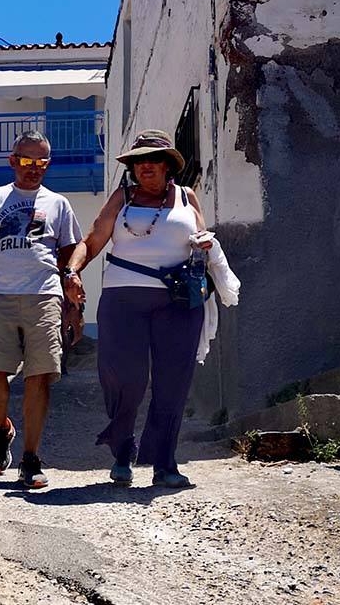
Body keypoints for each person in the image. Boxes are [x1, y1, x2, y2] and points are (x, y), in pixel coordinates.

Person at [64, 129, 234, 489]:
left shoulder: (188, 198)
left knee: (173, 382)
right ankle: (122, 450)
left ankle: (164, 461)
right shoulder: (122, 198)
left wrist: (206, 245)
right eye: (139, 162)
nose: (146, 167)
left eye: (153, 161)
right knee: (125, 376)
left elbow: (202, 240)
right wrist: (72, 270)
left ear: (168, 165)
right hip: (123, 299)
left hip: (179, 301)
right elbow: (92, 239)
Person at [0, 131, 82, 488]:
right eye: (26, 161)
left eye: (41, 162)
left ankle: (30, 458)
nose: (34, 169)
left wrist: (73, 304)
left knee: (40, 376)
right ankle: (0, 426)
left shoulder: (59, 204)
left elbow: (69, 257)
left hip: (45, 296)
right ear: (12, 161)